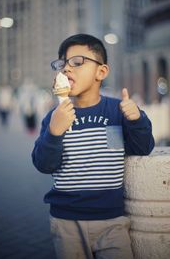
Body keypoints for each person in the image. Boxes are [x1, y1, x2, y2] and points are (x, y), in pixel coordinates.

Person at [31, 34, 155, 259]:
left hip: (112, 220)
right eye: (62, 64)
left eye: (77, 62)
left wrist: (137, 120)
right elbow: (44, 164)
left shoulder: (117, 111)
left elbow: (142, 148)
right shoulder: (55, 117)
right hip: (65, 220)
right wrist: (54, 132)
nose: (67, 69)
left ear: (101, 72)